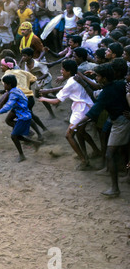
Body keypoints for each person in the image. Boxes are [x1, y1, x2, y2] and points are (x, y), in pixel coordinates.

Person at [72, 63, 130, 197]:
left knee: (110, 154)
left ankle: (115, 188)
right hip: (122, 119)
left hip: (120, 123)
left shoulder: (106, 93)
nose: (96, 78)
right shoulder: (120, 84)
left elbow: (93, 112)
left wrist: (77, 124)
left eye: (97, 76)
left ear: (104, 78)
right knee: (125, 149)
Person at [39, 59, 101, 170]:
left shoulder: (71, 82)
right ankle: (96, 151)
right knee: (81, 132)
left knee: (69, 135)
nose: (61, 71)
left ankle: (84, 160)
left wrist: (44, 98)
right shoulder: (76, 77)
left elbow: (57, 101)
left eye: (63, 69)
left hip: (81, 110)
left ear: (68, 71)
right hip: (86, 107)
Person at [0, 74, 41, 162]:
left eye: (4, 84)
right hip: (22, 114)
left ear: (9, 85)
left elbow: (7, 107)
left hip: (23, 117)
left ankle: (22, 155)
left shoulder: (13, 93)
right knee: (16, 134)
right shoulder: (16, 90)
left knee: (14, 136)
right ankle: (35, 143)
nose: (3, 85)